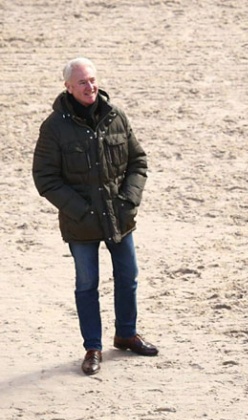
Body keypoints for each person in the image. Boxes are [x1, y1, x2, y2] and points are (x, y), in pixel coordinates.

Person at [33, 57, 159, 375]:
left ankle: (126, 334)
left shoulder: (116, 116)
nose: (90, 87)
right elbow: (45, 178)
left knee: (128, 278)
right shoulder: (53, 128)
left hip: (119, 218)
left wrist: (129, 201)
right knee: (87, 285)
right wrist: (81, 210)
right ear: (68, 88)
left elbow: (138, 161)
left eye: (92, 80)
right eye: (82, 83)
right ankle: (93, 347)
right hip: (81, 223)